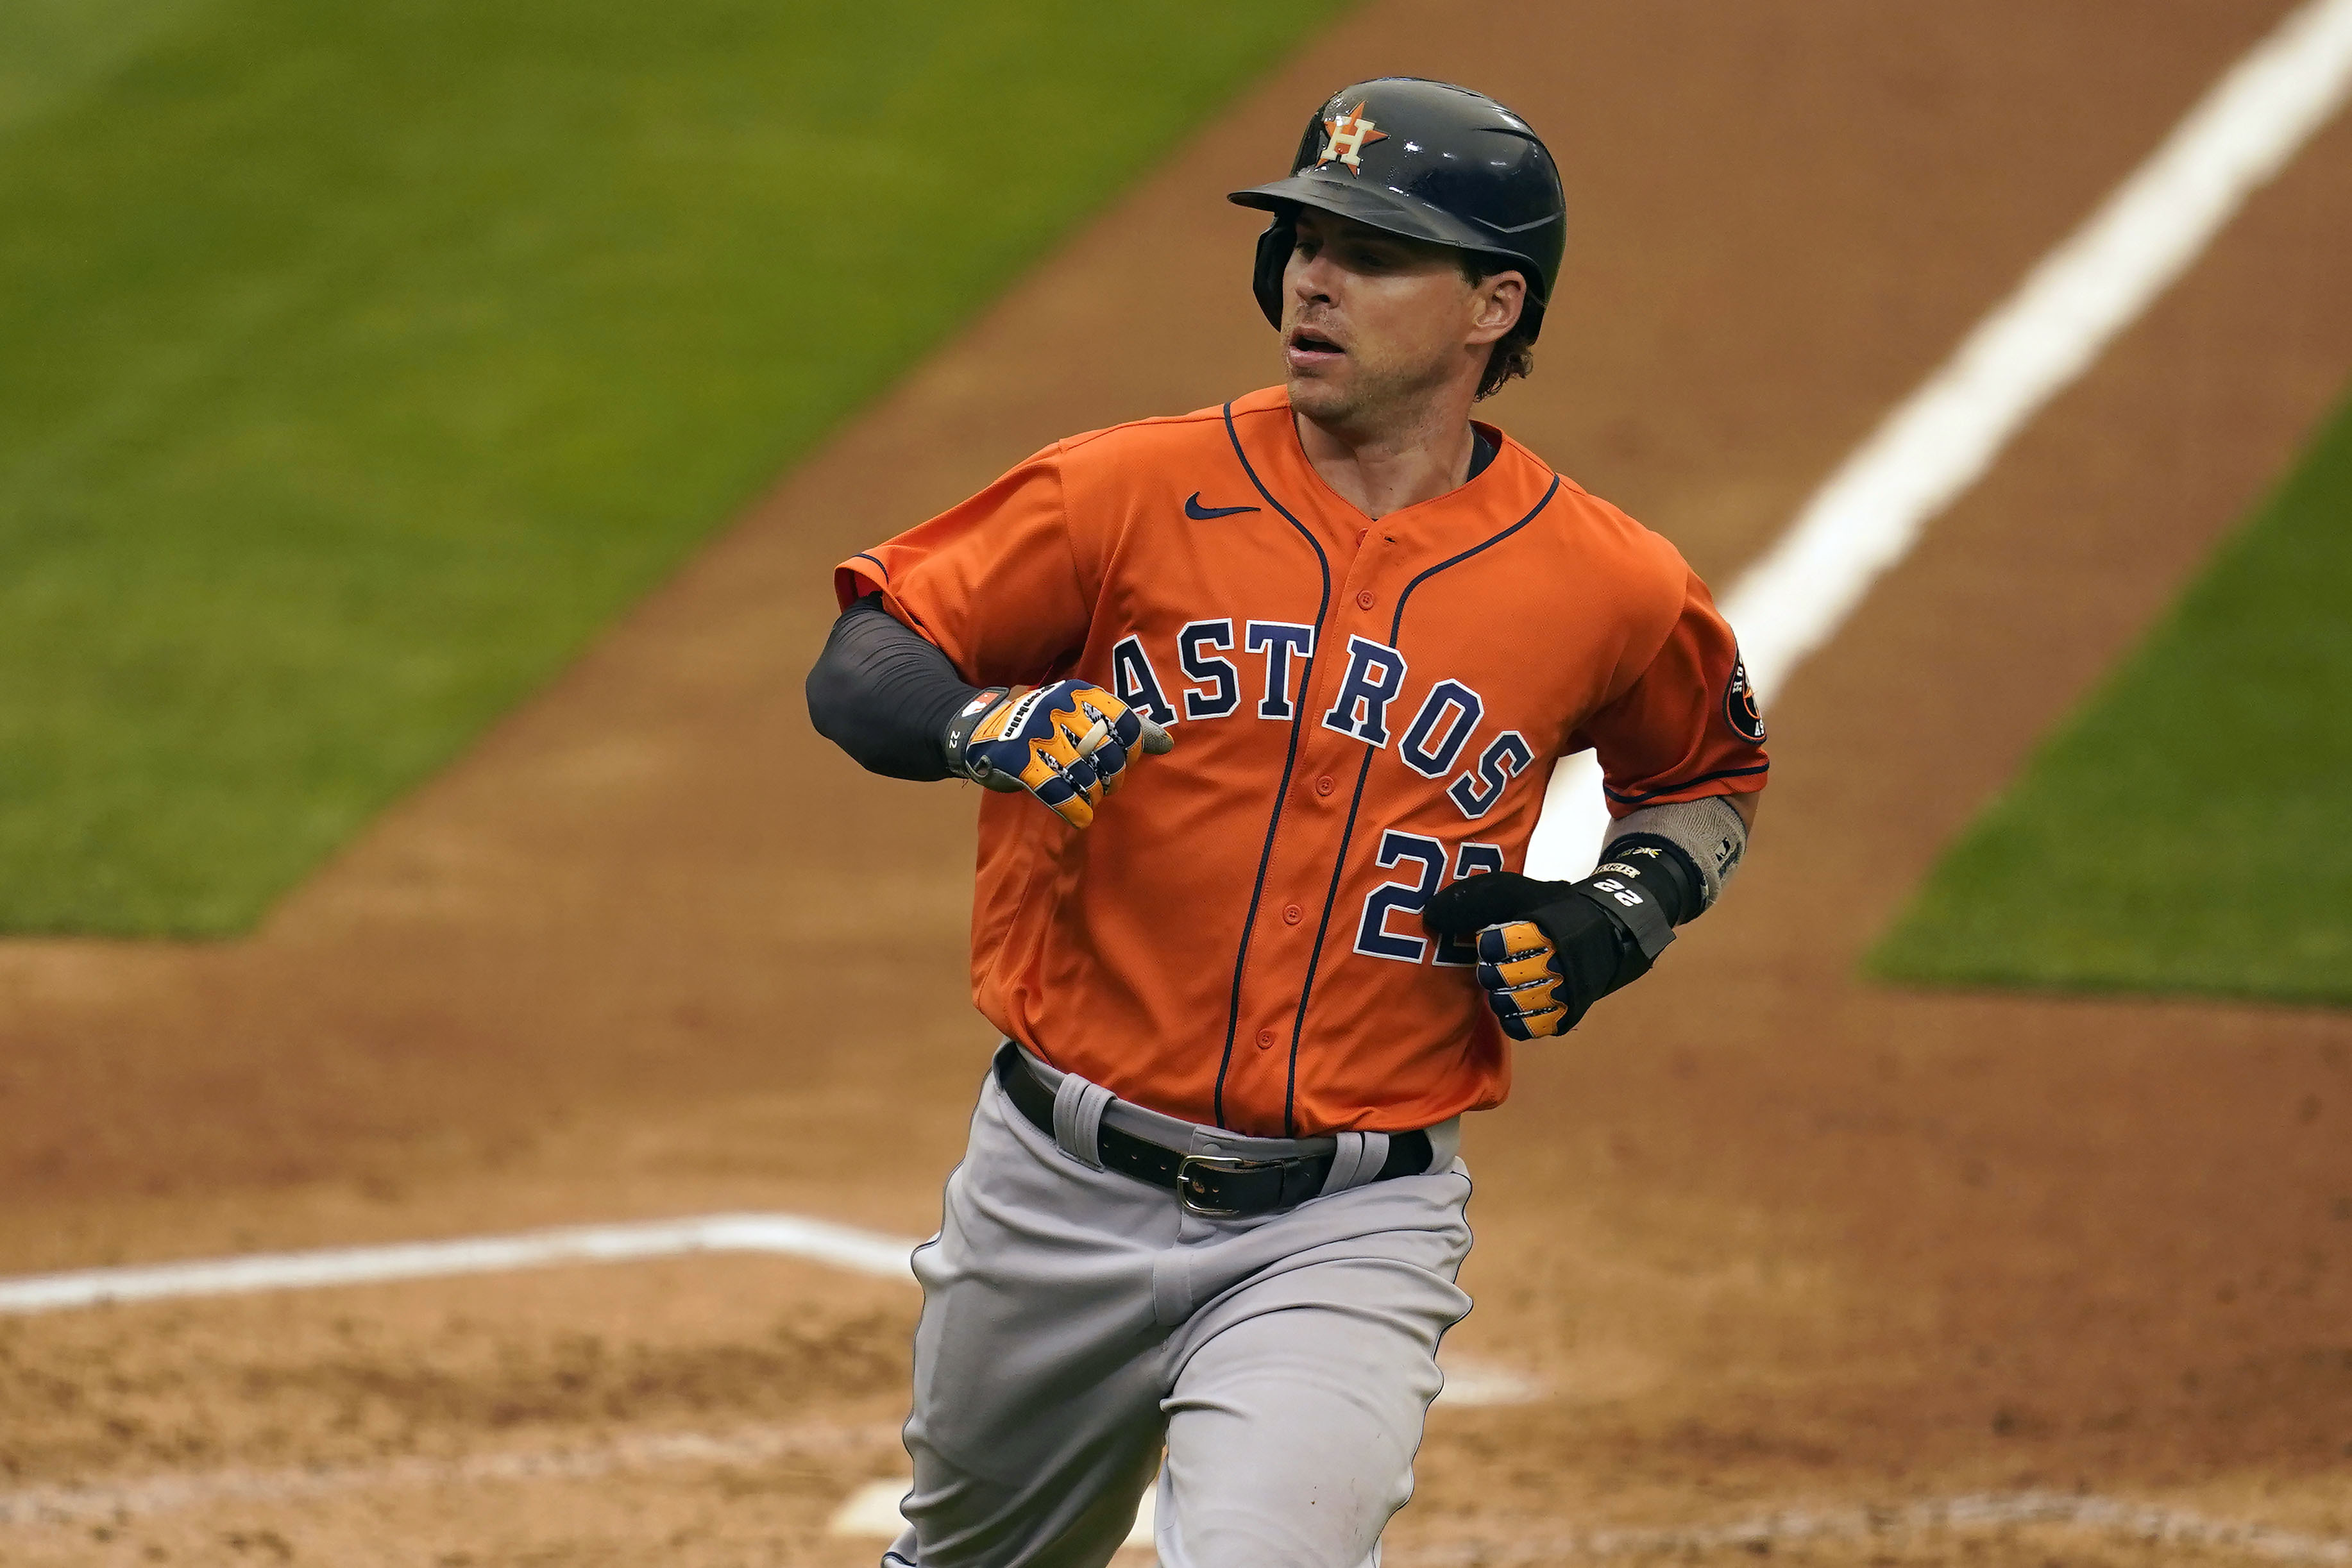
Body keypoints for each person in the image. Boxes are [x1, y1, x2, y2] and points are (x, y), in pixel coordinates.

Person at [806, 76, 1768, 1568]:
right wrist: (975, 726)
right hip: (1053, 1185)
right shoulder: (1125, 489)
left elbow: (1705, 775)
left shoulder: (1608, 582)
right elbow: (868, 653)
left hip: (1346, 1221)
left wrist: (1610, 911)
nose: (1313, 278)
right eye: (1304, 238)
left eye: (1374, 253)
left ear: (1491, 306)